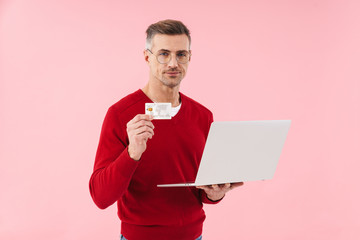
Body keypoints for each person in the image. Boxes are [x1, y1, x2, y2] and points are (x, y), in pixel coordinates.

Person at [89, 19, 243, 240]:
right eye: (163, 54)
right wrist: (132, 153)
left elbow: (202, 191)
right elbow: (100, 197)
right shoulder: (120, 114)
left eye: (181, 54)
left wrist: (215, 194)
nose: (173, 63)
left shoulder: (203, 116)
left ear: (189, 58)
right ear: (147, 57)